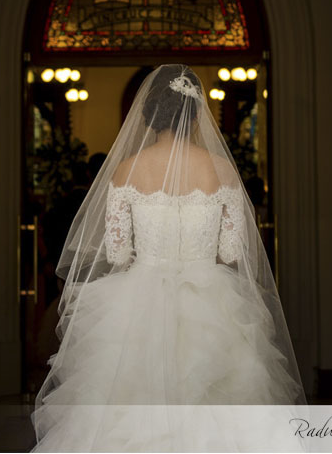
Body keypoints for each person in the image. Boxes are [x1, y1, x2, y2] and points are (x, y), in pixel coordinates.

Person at [32, 65, 304, 452]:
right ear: (195, 113)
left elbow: (118, 251)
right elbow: (230, 252)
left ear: (147, 114)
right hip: (212, 301)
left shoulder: (126, 170)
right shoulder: (223, 170)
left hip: (137, 302)